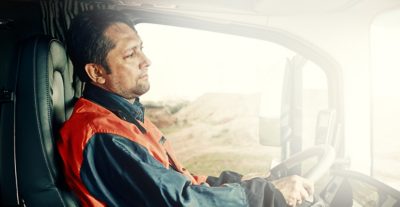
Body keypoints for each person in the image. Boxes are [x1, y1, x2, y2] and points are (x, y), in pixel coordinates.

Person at [58, 9, 314, 207]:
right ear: (97, 72)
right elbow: (181, 200)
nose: (146, 61)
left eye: (142, 49)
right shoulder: (101, 135)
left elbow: (178, 180)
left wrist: (243, 182)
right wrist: (266, 193)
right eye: (131, 54)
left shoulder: (123, 118)